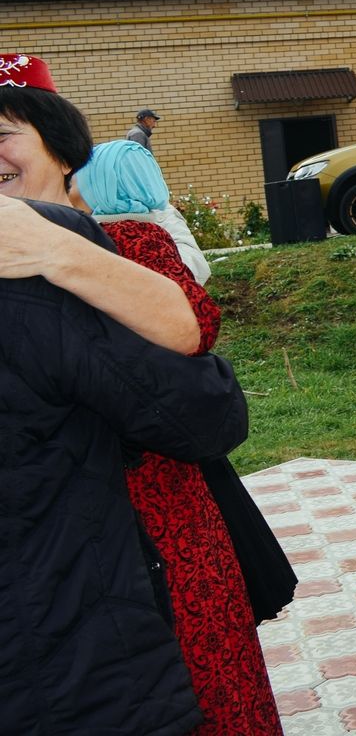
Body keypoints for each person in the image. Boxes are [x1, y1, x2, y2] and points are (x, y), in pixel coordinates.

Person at [0, 62, 284, 733]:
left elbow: (193, 351)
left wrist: (59, 252)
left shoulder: (131, 242)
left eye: (5, 135)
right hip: (53, 556)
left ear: (62, 147)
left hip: (162, 525)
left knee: (204, 696)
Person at [1, 198, 249, 735]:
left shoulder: (103, 239)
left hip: (139, 540)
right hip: (65, 634)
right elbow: (205, 410)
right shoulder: (37, 250)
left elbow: (194, 328)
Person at [74, 138, 211, 283]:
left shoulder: (161, 218)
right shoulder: (80, 225)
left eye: (75, 182)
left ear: (103, 189)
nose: (69, 191)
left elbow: (193, 267)